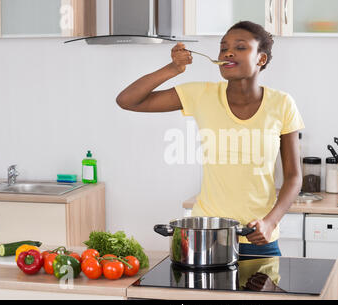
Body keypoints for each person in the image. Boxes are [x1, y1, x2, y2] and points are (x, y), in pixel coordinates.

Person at [116, 21, 304, 256]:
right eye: (223, 47)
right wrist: (172, 69)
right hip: (207, 237)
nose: (228, 52)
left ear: (261, 59)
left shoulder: (282, 104)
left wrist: (270, 222)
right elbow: (127, 100)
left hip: (258, 239)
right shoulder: (202, 94)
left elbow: (294, 177)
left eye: (241, 47)